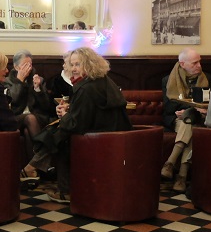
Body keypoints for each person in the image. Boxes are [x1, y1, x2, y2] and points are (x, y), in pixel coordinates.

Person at [24, 47, 132, 203]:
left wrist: (66, 115)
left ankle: (59, 187)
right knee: (58, 132)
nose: (73, 69)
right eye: (72, 65)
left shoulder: (86, 87)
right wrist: (70, 109)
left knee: (61, 137)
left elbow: (76, 124)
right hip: (114, 134)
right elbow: (92, 112)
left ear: (89, 64)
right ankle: (33, 168)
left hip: (102, 138)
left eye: (78, 64)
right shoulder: (101, 80)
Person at [161, 48, 211, 192]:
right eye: (194, 63)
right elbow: (169, 106)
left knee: (189, 121)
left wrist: (189, 110)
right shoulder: (168, 80)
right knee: (188, 122)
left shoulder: (208, 78)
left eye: (200, 62)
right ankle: (182, 177)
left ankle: (170, 163)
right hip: (176, 118)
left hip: (198, 117)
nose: (199, 66)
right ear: (182, 64)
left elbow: (209, 103)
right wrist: (189, 109)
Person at [4, 50, 55, 164]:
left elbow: (47, 106)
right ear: (16, 67)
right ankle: (43, 161)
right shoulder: (7, 81)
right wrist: (19, 82)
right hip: (16, 117)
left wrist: (38, 89)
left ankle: (32, 168)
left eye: (30, 65)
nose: (29, 68)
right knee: (29, 118)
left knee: (28, 131)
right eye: (25, 65)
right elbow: (13, 101)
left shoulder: (38, 79)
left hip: (38, 118)